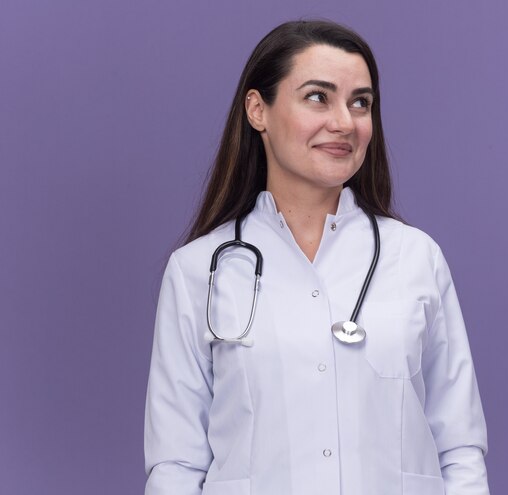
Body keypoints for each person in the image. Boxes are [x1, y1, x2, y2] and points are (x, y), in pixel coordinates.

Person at [144, 19, 489, 495]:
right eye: (317, 97)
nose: (345, 122)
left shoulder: (415, 258)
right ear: (257, 110)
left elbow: (460, 448)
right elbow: (175, 465)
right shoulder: (198, 271)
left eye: (360, 103)